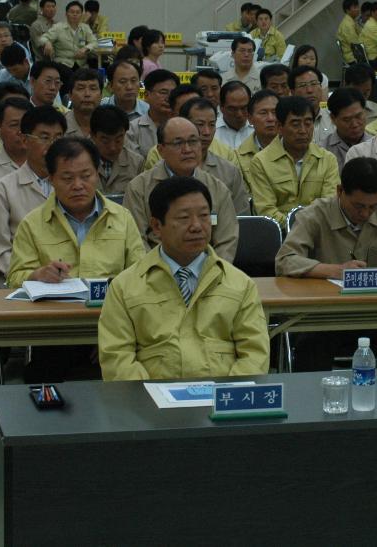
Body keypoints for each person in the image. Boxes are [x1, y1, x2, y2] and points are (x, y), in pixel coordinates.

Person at [99, 175, 268, 380]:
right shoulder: (124, 287)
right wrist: (151, 399)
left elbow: (254, 354)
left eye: (204, 216)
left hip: (220, 404)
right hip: (152, 405)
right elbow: (117, 359)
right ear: (156, 226)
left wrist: (226, 399)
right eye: (183, 218)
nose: (197, 226)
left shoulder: (240, 285)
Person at [276, 156, 377, 370]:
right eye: (358, 206)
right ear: (340, 191)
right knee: (310, 346)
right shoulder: (315, 214)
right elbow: (285, 260)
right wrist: (334, 270)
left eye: (373, 206)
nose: (365, 213)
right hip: (326, 317)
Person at [11, 137, 147, 381]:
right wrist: (37, 274)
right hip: (55, 333)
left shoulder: (122, 218)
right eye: (67, 178)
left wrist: (113, 337)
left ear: (97, 175)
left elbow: (140, 277)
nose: (78, 185)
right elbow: (14, 279)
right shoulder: (33, 223)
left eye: (86, 176)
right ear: (51, 180)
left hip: (116, 328)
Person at [124, 117, 240, 259]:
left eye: (193, 142)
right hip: (155, 271)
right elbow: (136, 241)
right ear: (161, 150)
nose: (187, 150)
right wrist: (155, 273)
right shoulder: (139, 188)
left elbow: (227, 241)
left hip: (207, 271)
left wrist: (212, 273)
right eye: (178, 143)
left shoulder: (217, 188)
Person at [0, 106, 66, 276]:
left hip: (68, 277)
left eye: (58, 138)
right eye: (44, 137)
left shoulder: (73, 186)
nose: (52, 146)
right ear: (24, 140)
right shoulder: (4, 189)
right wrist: (31, 275)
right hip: (23, 283)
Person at [247, 96, 339, 221]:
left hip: (319, 233)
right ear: (280, 127)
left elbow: (330, 205)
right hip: (280, 235)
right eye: (295, 124)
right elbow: (266, 210)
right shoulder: (261, 162)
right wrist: (297, 227)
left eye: (308, 123)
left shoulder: (327, 159)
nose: (303, 131)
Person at [180, 98, 249, 213]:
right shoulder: (168, 167)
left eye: (212, 125)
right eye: (200, 124)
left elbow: (242, 219)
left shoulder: (229, 171)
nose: (207, 132)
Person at [234, 89, 280, 184]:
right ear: (250, 118)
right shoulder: (238, 157)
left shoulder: (296, 148)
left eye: (275, 112)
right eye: (263, 113)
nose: (271, 119)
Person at [318, 87, 368, 168]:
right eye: (347, 119)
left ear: (365, 111)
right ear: (333, 118)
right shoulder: (322, 151)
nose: (355, 124)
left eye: (359, 116)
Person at [215, 80, 254, 150]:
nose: (239, 114)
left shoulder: (258, 129)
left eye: (244, 108)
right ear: (221, 107)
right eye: (233, 109)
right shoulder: (211, 131)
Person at [64, 68, 103, 138]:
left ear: (101, 95)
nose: (87, 94)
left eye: (93, 88)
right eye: (80, 88)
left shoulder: (111, 124)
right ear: (70, 95)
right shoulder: (60, 126)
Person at [337, 0, 362, 64]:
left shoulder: (352, 21)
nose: (358, 9)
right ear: (347, 10)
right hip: (353, 57)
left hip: (356, 54)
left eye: (358, 7)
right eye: (355, 7)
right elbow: (355, 43)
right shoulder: (347, 25)